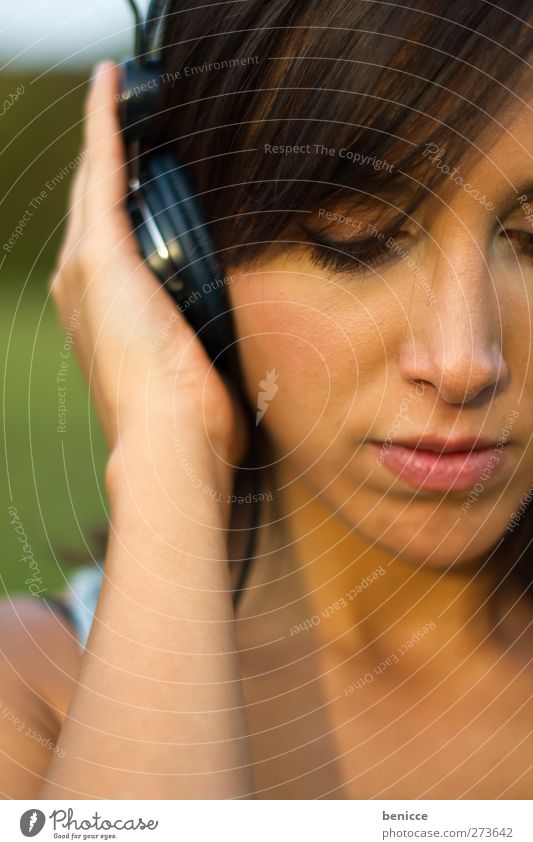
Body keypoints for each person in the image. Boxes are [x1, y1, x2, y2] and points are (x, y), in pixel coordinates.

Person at [1, 0, 532, 800]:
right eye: (354, 240)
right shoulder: (31, 699)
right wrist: (167, 449)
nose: (462, 363)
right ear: (180, 253)